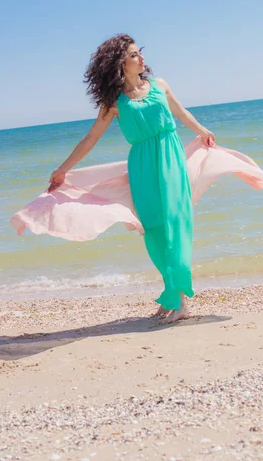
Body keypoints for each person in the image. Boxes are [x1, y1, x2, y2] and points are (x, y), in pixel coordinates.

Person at [47, 34, 215, 323]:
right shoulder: (114, 102)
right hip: (142, 166)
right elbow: (90, 139)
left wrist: (202, 131)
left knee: (175, 222)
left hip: (170, 157)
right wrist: (63, 169)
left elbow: (181, 113)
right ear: (121, 63)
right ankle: (172, 293)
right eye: (135, 55)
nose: (142, 58)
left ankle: (181, 301)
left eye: (140, 53)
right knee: (153, 229)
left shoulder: (159, 85)